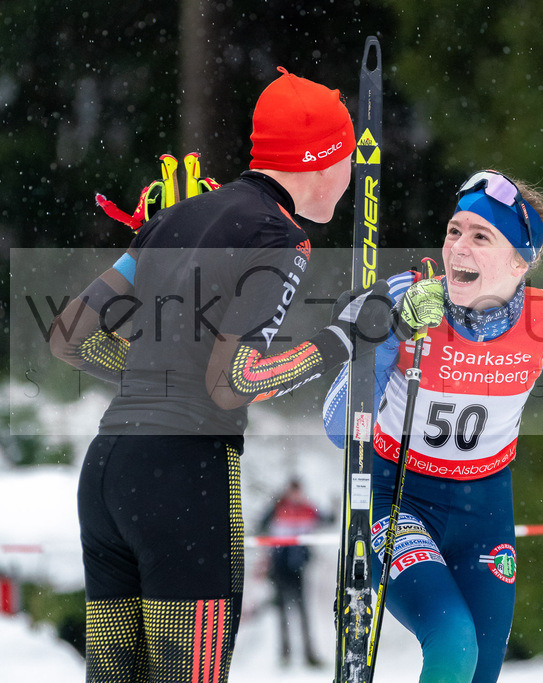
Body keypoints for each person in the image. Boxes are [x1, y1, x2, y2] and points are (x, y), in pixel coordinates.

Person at [50, 67, 393, 683]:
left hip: (108, 473)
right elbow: (234, 381)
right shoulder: (279, 235)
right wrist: (343, 337)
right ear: (320, 164)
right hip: (184, 479)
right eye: (349, 161)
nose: (353, 177)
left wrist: (154, 374)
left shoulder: (176, 218)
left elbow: (68, 336)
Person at [323, 169, 543, 683]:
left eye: (480, 235)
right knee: (452, 641)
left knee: (480, 672)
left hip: (485, 509)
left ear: (521, 260)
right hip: (397, 496)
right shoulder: (407, 297)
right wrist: (390, 332)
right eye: (453, 231)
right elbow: (339, 428)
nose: (457, 248)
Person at [259, 479, 331, 668]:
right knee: (282, 613)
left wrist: (335, 505)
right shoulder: (278, 507)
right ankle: (285, 655)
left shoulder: (307, 508)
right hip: (279, 567)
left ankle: (309, 655)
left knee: (303, 613)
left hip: (298, 568)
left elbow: (326, 519)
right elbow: (261, 524)